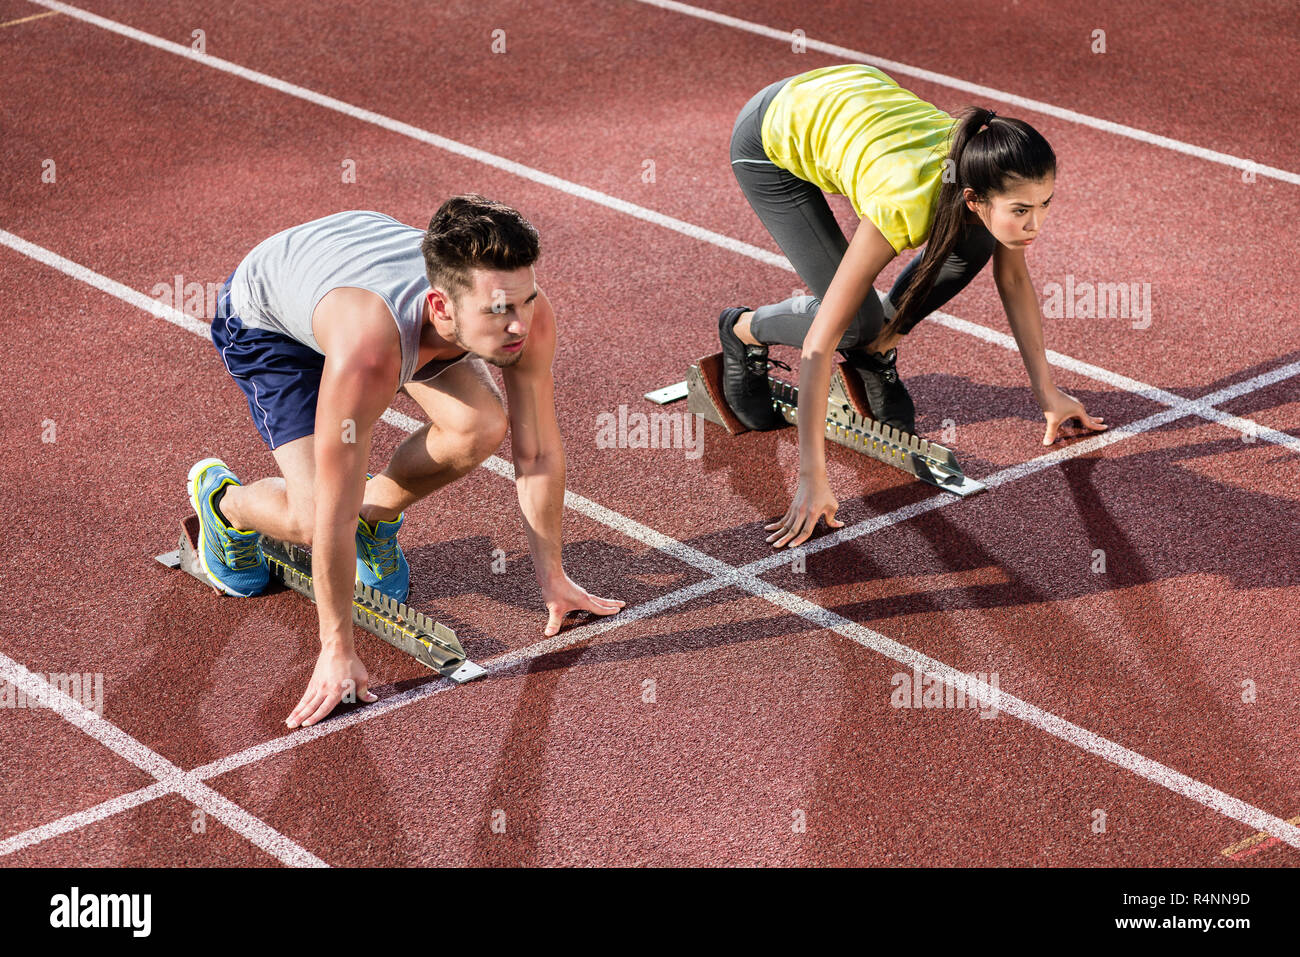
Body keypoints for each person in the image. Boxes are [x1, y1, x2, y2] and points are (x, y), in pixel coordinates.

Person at [188, 196, 624, 727]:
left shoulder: (516, 312)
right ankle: (224, 506)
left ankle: (376, 515)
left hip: (359, 274)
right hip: (268, 319)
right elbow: (332, 512)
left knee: (480, 426)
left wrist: (553, 578)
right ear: (442, 307)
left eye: (526, 301)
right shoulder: (370, 354)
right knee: (313, 516)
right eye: (499, 311)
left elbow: (535, 451)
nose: (518, 326)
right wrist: (336, 650)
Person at [720, 64, 1106, 548]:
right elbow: (818, 348)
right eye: (1023, 212)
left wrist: (1048, 393)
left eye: (1045, 204)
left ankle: (877, 349)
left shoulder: (988, 169)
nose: (1036, 224)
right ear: (973, 197)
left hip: (849, 102)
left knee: (977, 246)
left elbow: (1013, 280)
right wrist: (811, 477)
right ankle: (745, 330)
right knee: (852, 323)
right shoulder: (903, 202)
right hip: (770, 134)